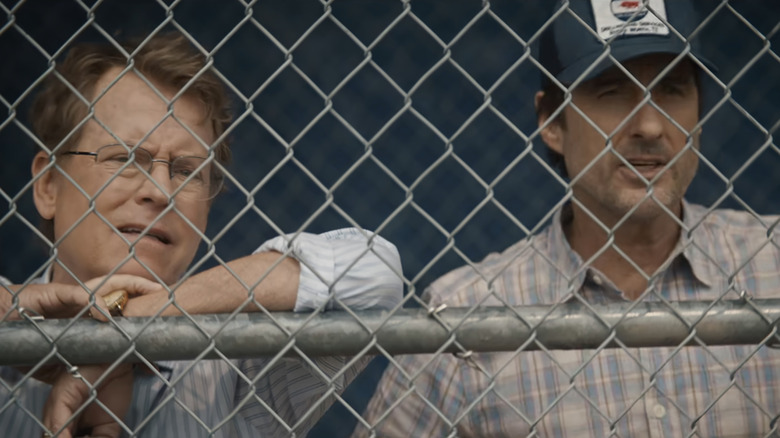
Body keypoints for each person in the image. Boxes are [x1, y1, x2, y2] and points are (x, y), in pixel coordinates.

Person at [357, 0, 780, 436]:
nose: (650, 127)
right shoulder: (467, 315)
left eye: (672, 90)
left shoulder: (773, 263)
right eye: (613, 91)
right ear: (551, 121)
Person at [0, 33, 402, 437]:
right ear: (48, 185)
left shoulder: (235, 362)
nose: (160, 191)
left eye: (187, 171)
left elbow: (373, 273)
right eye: (125, 158)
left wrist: (123, 328)